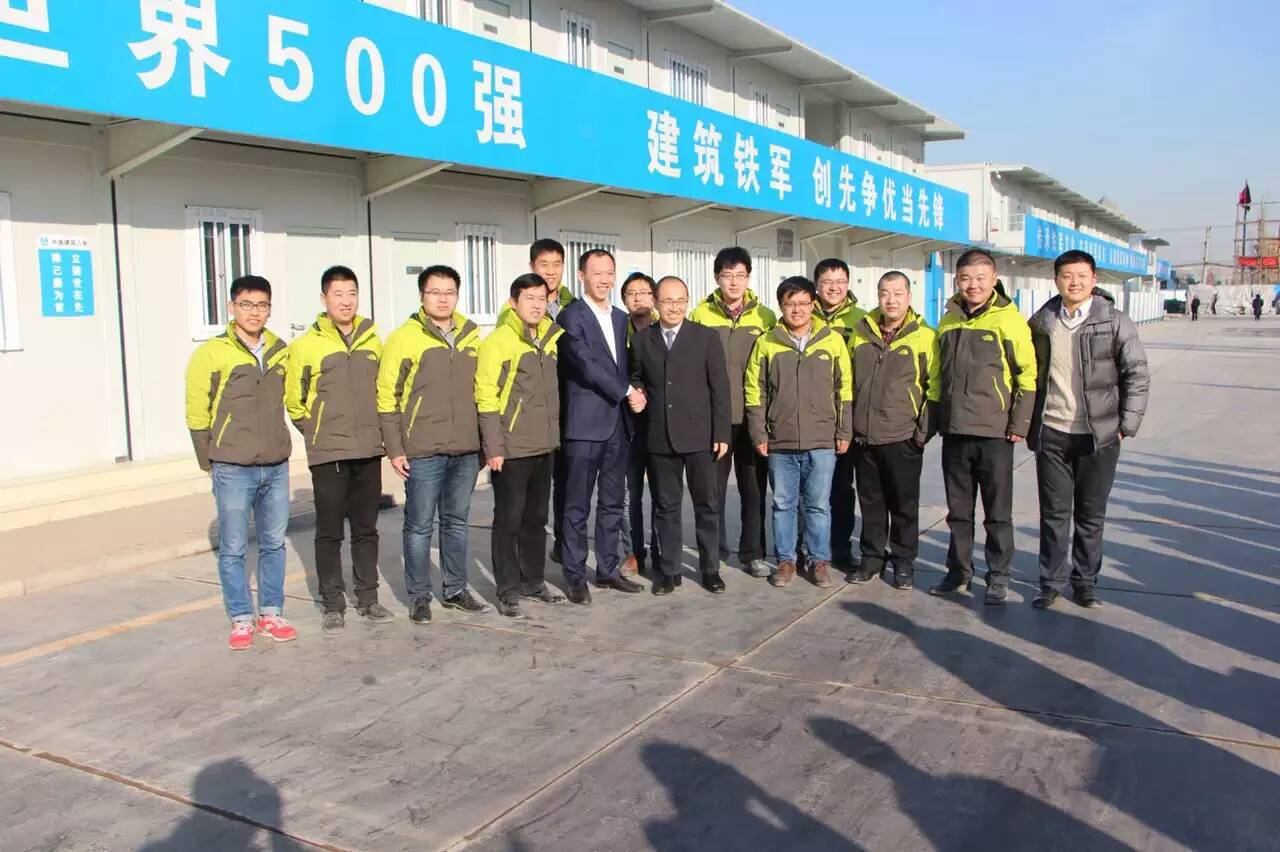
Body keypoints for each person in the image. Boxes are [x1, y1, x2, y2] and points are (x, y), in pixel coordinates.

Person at [1028, 250, 1150, 609]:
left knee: (1090, 513)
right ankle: (1050, 583)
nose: (1074, 282)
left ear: (1094, 280)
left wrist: (1126, 425)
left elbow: (1137, 374)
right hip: (1053, 431)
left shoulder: (1115, 322)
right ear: (1056, 280)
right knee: (1053, 514)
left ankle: (1085, 583)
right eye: (1067, 276)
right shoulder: (1041, 323)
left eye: (1082, 276)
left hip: (1099, 435)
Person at [184, 275, 296, 650]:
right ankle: (241, 617)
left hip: (276, 464)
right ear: (232, 307)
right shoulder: (212, 353)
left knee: (273, 543)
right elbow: (196, 410)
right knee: (233, 547)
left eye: (262, 305)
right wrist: (210, 460)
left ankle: (271, 612)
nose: (254, 312)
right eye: (246, 305)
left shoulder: (280, 350)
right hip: (232, 465)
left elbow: (293, 398)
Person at [378, 265, 490, 625]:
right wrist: (395, 448)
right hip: (423, 450)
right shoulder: (404, 338)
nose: (443, 299)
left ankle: (455, 589)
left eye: (449, 292)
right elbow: (387, 396)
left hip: (465, 450)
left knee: (456, 523)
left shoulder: (472, 336)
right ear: (421, 296)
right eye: (434, 292)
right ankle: (419, 596)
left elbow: (485, 392)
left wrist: (485, 442)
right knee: (419, 525)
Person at [285, 266, 391, 631]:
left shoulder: (374, 341)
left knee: (366, 528)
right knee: (329, 531)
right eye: (338, 294)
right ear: (324, 298)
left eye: (352, 293)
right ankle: (332, 602)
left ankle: (368, 597)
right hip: (328, 452)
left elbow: (384, 392)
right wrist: (317, 431)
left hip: (368, 449)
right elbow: (295, 401)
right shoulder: (305, 346)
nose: (346, 301)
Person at [931, 249, 1037, 605]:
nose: (973, 285)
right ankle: (958, 572)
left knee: (997, 513)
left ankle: (998, 576)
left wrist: (1019, 422)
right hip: (955, 432)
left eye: (980, 278)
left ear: (994, 280)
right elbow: (938, 374)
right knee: (958, 513)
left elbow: (1028, 375)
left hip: (995, 433)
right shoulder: (948, 319)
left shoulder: (1009, 320)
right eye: (966, 278)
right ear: (956, 281)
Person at [744, 276, 852, 588]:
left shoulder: (832, 341)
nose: (797, 309)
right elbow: (755, 391)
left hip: (822, 440)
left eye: (803, 303)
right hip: (781, 441)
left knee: (818, 505)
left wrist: (844, 430)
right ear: (781, 306)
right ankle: (786, 561)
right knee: (783, 505)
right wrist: (759, 433)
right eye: (790, 303)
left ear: (813, 305)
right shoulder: (767, 342)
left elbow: (844, 389)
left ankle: (818, 560)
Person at [630, 276, 731, 595]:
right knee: (666, 505)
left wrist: (722, 432)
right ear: (656, 303)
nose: (673, 307)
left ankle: (710, 568)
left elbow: (720, 388)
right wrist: (638, 392)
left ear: (687, 302)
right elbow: (636, 377)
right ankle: (669, 570)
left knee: (707, 504)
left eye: (680, 301)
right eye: (667, 301)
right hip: (659, 435)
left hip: (701, 435)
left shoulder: (706, 337)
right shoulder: (643, 340)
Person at [556, 249, 647, 603]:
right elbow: (586, 364)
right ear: (582, 276)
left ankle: (608, 569)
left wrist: (636, 390)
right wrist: (627, 391)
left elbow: (626, 366)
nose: (604, 279)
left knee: (612, 502)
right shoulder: (570, 316)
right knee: (576, 505)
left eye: (609, 272)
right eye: (597, 273)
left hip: (616, 426)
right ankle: (575, 576)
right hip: (584, 425)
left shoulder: (622, 318)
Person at [476, 274, 567, 618]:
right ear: (513, 303)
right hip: (511, 449)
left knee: (536, 519)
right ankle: (508, 590)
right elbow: (486, 396)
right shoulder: (498, 342)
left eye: (542, 298)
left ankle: (533, 581)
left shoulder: (550, 338)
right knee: (508, 521)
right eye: (529, 298)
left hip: (544, 445)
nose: (537, 305)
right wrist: (493, 447)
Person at [847, 272, 940, 591]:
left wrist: (921, 434)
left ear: (909, 297)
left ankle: (903, 561)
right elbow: (847, 380)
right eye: (885, 293)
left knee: (903, 504)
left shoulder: (924, 336)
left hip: (903, 436)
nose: (891, 300)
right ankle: (872, 558)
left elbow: (935, 388)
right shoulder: (861, 332)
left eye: (898, 293)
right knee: (871, 503)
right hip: (864, 436)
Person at [690, 247, 777, 578]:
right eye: (727, 276)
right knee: (712, 492)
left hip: (753, 418)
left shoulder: (765, 317)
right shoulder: (700, 315)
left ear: (749, 277)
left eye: (740, 275)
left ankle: (753, 553)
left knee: (753, 490)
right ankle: (714, 553)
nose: (734, 282)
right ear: (717, 278)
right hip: (716, 420)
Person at [813, 258, 867, 572]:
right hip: (810, 417)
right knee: (810, 490)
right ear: (816, 285)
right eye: (827, 282)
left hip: (845, 417)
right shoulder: (802, 314)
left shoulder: (862, 321)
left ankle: (841, 548)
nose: (833, 288)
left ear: (848, 284)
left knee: (842, 488)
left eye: (840, 282)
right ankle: (809, 549)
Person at [619, 272, 662, 575]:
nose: (638, 298)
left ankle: (661, 549)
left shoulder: (665, 330)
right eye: (631, 293)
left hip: (660, 423)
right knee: (628, 494)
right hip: (626, 423)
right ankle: (633, 551)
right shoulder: (616, 329)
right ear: (624, 299)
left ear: (654, 298)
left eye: (644, 292)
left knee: (662, 492)